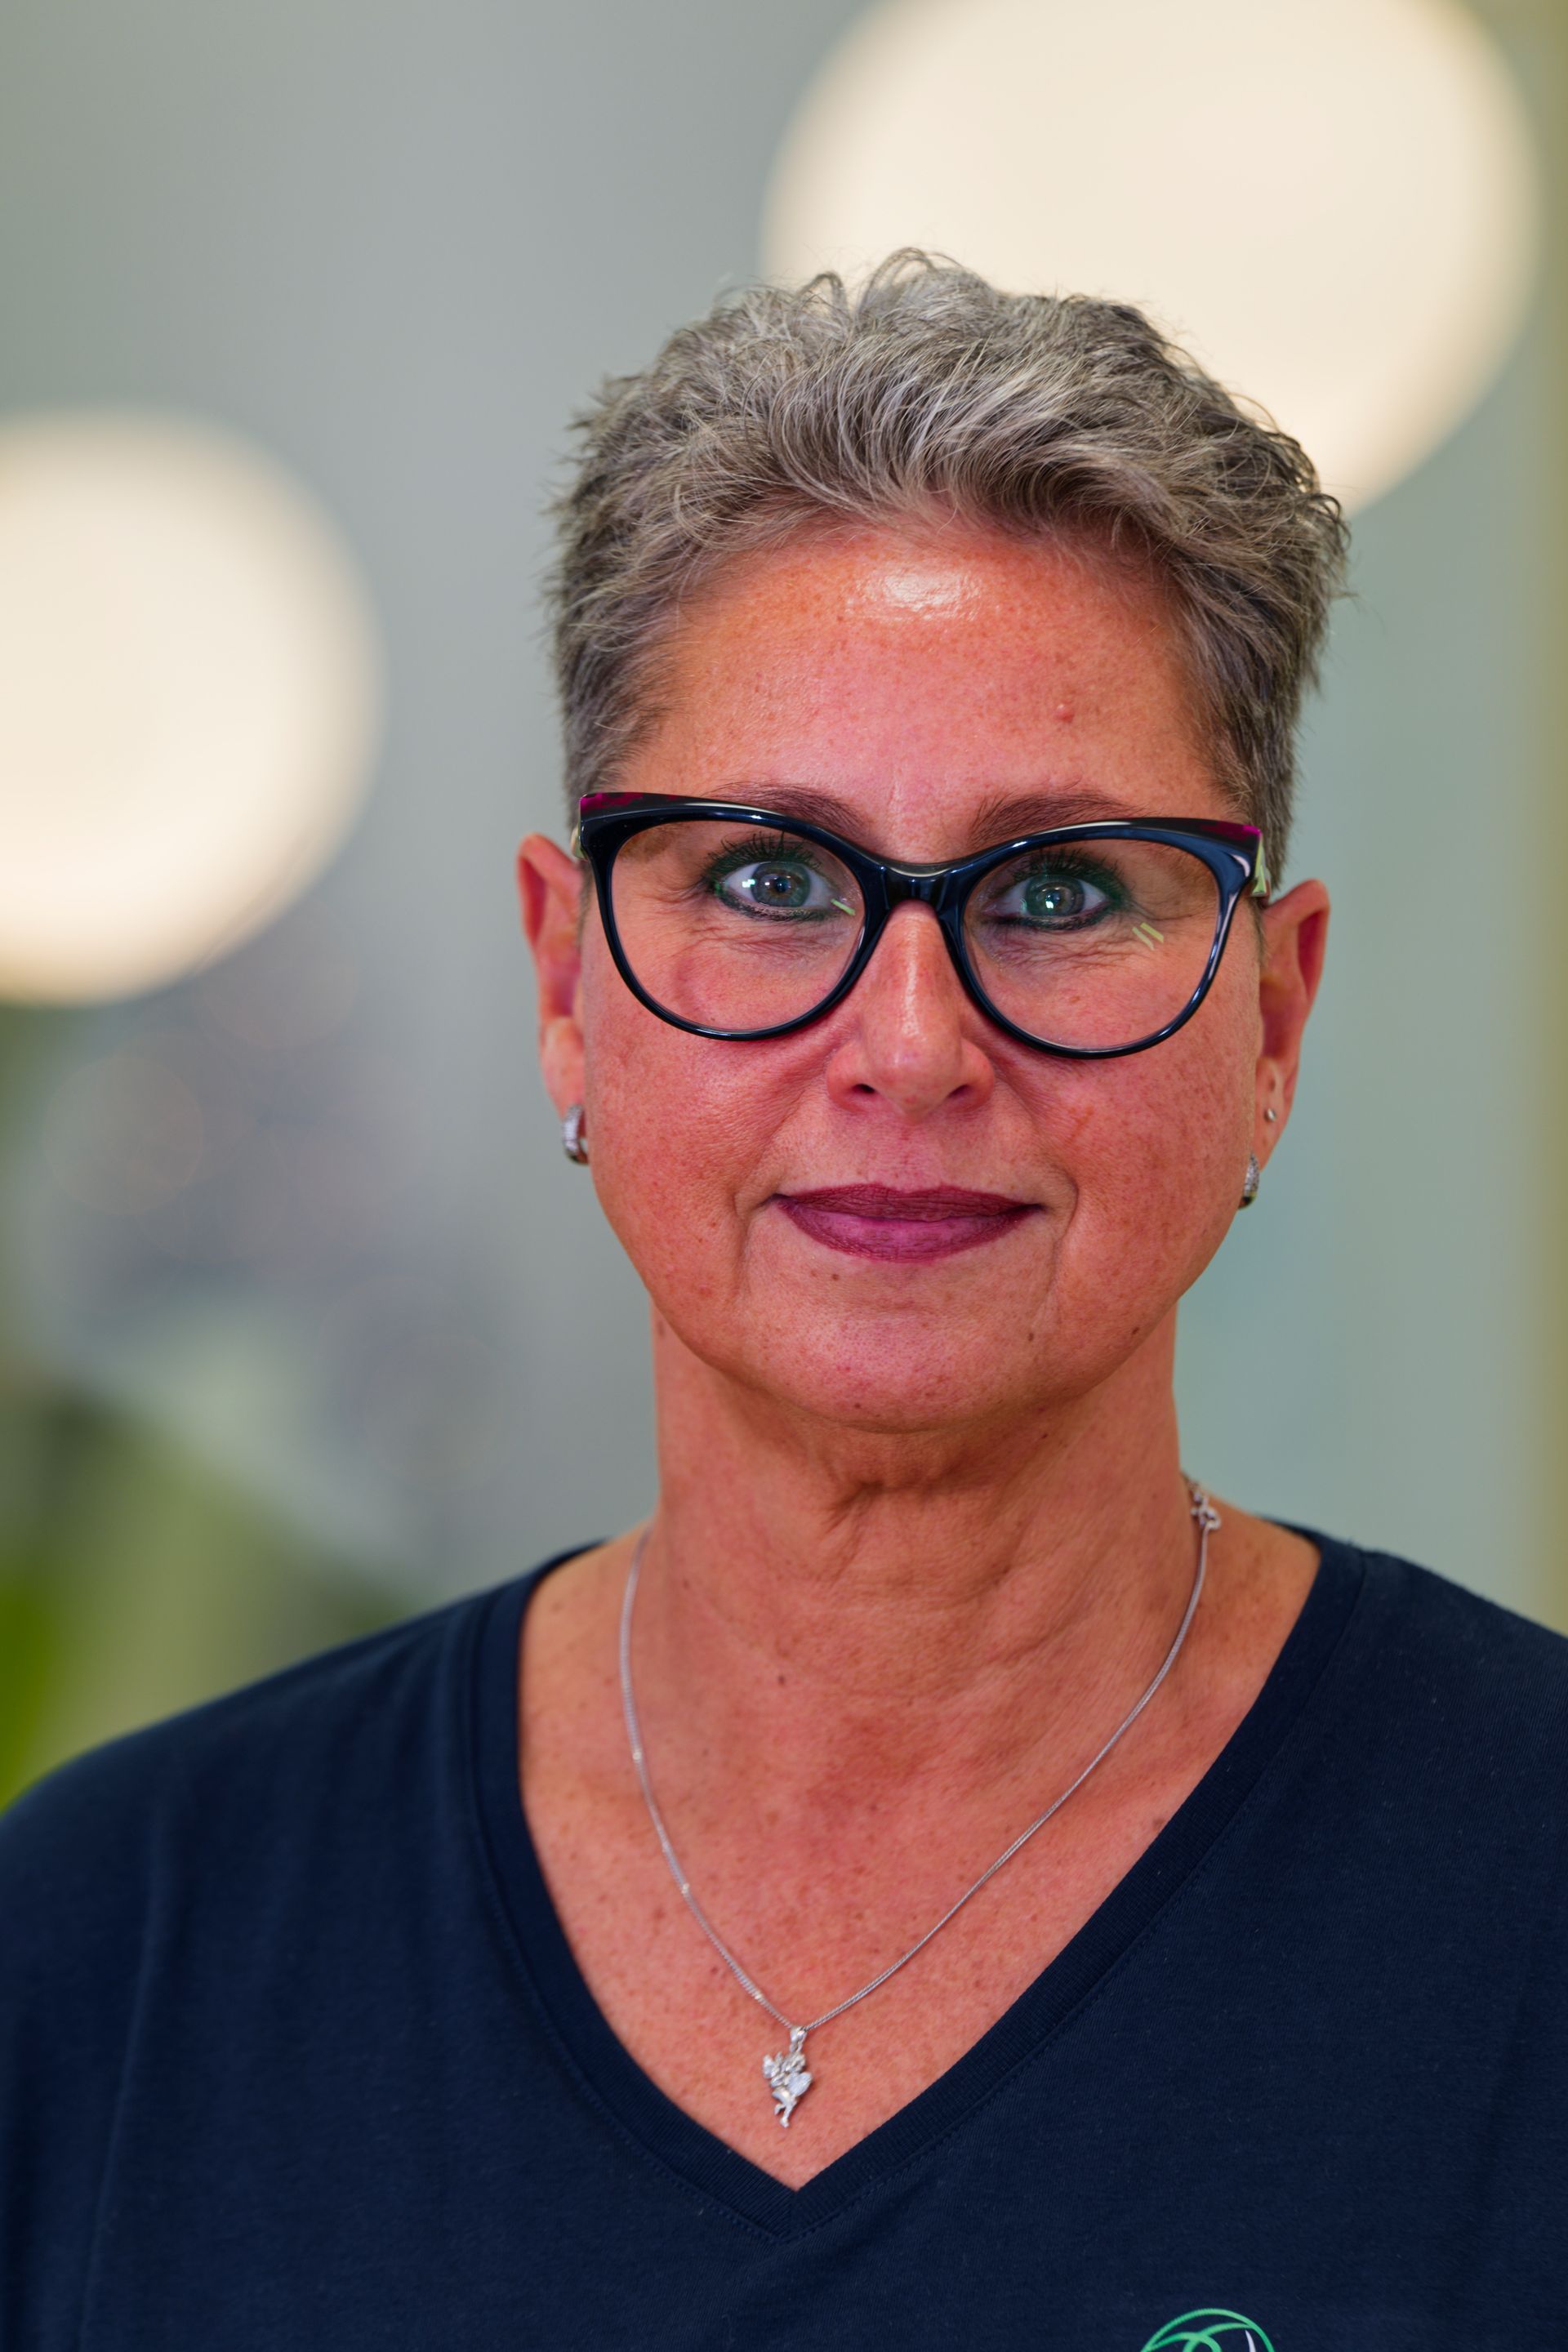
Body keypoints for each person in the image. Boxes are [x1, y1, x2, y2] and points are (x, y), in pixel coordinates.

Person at [3, 255, 1566, 2349]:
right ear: (568, 984)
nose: (910, 1046)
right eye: (767, 879)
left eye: (1061, 888)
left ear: (1269, 1021)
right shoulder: (111, 1947)